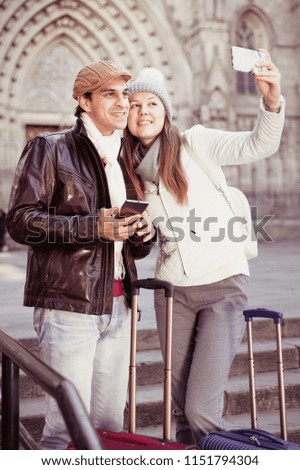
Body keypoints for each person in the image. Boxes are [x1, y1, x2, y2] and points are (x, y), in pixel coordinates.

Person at [122, 50, 285, 445]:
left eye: (152, 103)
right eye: (134, 104)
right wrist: (138, 233)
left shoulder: (195, 143)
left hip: (222, 287)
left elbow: (256, 146)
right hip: (172, 293)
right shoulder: (125, 169)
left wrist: (271, 100)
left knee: (200, 409)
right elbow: (143, 238)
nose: (144, 111)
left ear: (166, 110)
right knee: (181, 410)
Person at [6, 60, 154, 450]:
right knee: (65, 428)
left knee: (107, 425)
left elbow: (127, 242)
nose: (123, 103)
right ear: (83, 101)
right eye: (110, 94)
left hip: (119, 305)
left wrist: (142, 233)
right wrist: (93, 226)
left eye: (125, 94)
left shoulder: (125, 158)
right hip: (69, 306)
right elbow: (21, 222)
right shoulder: (50, 148)